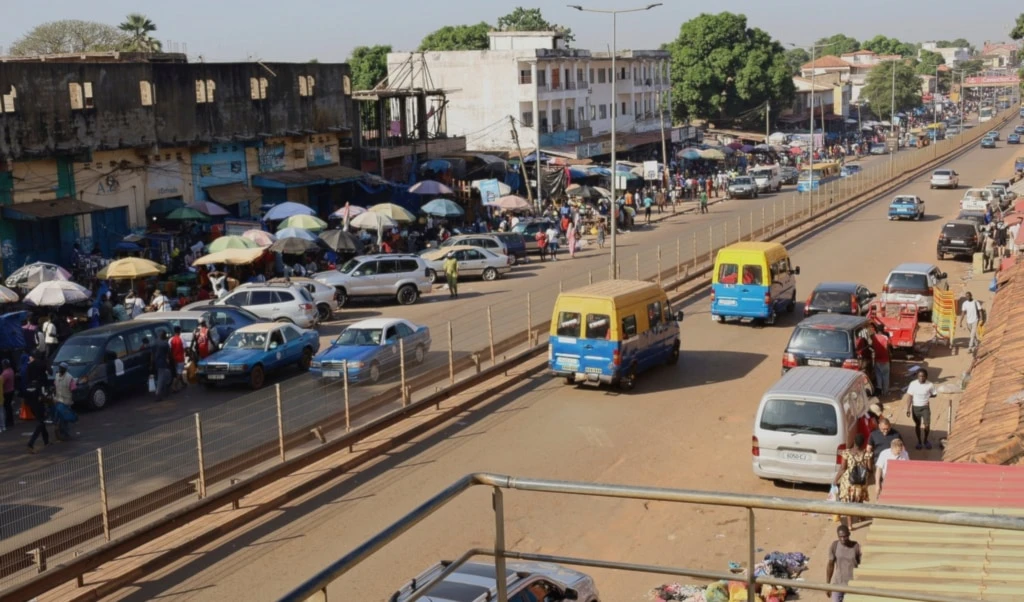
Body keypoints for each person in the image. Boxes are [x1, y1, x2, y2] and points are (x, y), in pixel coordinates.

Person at [832, 433, 871, 530]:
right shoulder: (867, 454)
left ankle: (850, 525)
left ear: (854, 442)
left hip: (848, 482)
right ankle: (861, 517)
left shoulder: (847, 453)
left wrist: (835, 480)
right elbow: (870, 469)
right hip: (861, 483)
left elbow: (842, 468)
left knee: (849, 502)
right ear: (863, 444)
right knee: (860, 500)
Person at [903, 368, 937, 450]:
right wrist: (908, 409)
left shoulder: (930, 385)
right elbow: (910, 397)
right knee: (917, 425)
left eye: (923, 376)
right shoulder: (913, 384)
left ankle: (925, 440)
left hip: (925, 407)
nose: (921, 378)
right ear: (917, 377)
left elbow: (934, 394)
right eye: (919, 376)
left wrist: (928, 396)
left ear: (926, 377)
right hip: (915, 408)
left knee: (927, 426)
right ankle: (919, 441)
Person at [826, 525, 861, 602]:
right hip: (838, 583)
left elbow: (861, 565)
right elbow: (830, 565)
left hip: (852, 585)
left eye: (845, 536)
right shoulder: (834, 546)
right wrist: (827, 584)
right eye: (840, 537)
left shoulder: (856, 547)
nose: (843, 539)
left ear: (849, 534)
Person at [25, 353, 49, 453]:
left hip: (30, 398)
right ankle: (31, 443)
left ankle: (46, 441)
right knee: (41, 421)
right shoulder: (42, 368)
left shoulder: (29, 368)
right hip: (38, 398)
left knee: (41, 420)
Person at [52, 362, 76, 441]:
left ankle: (63, 433)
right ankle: (63, 433)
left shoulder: (66, 377)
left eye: (61, 368)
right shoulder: (61, 376)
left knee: (62, 418)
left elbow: (73, 389)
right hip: (62, 400)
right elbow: (56, 387)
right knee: (62, 418)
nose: (60, 369)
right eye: (60, 368)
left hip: (62, 401)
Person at [868, 323, 891, 396]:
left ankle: (879, 389)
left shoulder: (873, 337)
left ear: (877, 330)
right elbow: (888, 347)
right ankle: (885, 391)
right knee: (885, 375)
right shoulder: (885, 337)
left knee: (878, 375)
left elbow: (871, 344)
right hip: (885, 359)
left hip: (877, 358)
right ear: (883, 329)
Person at [152, 331, 173, 402]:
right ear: (164, 336)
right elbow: (169, 353)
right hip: (162, 363)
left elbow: (152, 354)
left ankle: (165, 391)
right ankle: (158, 394)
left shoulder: (155, 342)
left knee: (163, 376)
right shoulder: (165, 344)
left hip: (156, 362)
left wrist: (151, 363)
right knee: (161, 378)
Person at [169, 326, 187, 391]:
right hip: (180, 359)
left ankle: (183, 383)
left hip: (173, 359)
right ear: (180, 331)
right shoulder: (182, 339)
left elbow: (170, 350)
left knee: (178, 371)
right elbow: (185, 348)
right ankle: (174, 386)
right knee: (179, 373)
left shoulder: (171, 339)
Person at [0, 359, 13, 432]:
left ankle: (6, 423)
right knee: (7, 408)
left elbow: (2, 383)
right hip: (10, 390)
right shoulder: (11, 370)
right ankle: (6, 423)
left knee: (5, 408)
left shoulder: (5, 374)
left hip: (6, 392)